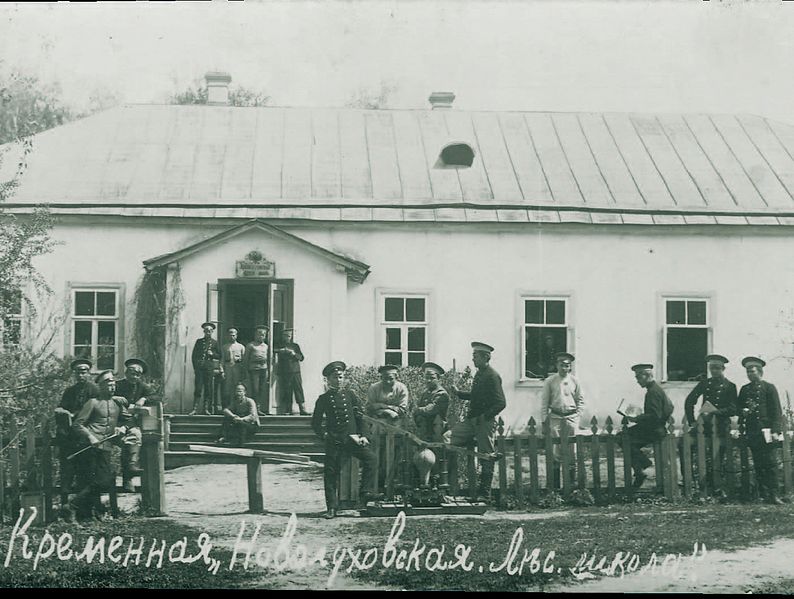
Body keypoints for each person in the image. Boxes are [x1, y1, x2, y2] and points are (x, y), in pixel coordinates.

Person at [311, 361, 377, 519]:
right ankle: (331, 508)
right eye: (335, 377)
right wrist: (324, 435)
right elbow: (315, 422)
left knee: (372, 459)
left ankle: (364, 494)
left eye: (341, 377)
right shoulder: (323, 399)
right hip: (334, 440)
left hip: (352, 439)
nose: (339, 380)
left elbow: (360, 418)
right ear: (328, 379)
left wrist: (364, 436)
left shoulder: (351, 395)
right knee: (330, 473)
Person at [70, 370, 132, 521]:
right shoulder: (93, 402)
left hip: (106, 447)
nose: (112, 387)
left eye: (113, 384)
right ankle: (86, 514)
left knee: (103, 481)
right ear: (101, 387)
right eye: (108, 385)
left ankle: (73, 505)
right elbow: (77, 425)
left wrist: (124, 427)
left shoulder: (117, 403)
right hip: (89, 447)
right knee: (91, 481)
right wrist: (90, 437)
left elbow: (129, 420)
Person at [449, 341, 507, 501]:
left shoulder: (492, 376)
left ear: (485, 357)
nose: (473, 359)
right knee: (448, 438)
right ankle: (449, 487)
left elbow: (501, 403)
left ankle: (484, 494)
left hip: (484, 423)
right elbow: (477, 396)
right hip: (471, 421)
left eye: (475, 356)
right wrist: (460, 393)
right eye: (473, 356)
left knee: (486, 456)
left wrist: (484, 417)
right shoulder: (480, 373)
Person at [682, 354, 737, 487]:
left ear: (723, 369)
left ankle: (716, 484)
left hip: (721, 425)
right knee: (683, 444)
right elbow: (689, 401)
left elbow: (734, 409)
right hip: (703, 425)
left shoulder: (730, 386)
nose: (714, 371)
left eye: (717, 368)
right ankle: (688, 480)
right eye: (711, 368)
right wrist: (692, 421)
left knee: (717, 455)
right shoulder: (705, 383)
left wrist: (717, 412)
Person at [737, 356, 784, 505]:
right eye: (748, 372)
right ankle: (763, 494)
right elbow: (738, 408)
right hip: (753, 432)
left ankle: (774, 494)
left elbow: (776, 411)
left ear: (760, 372)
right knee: (758, 463)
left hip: (768, 431)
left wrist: (776, 430)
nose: (750, 374)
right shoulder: (744, 389)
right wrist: (742, 411)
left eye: (752, 371)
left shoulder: (769, 388)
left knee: (771, 463)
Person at [54, 358, 99, 513]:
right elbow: (62, 406)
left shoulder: (95, 390)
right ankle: (66, 506)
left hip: (89, 434)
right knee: (68, 469)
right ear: (74, 374)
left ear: (89, 373)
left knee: (88, 471)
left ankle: (88, 509)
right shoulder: (70, 391)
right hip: (71, 437)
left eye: (84, 371)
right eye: (78, 372)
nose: (81, 375)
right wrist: (63, 411)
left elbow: (98, 411)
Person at [619, 363, 674, 489]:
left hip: (654, 430)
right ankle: (640, 471)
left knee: (623, 437)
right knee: (625, 438)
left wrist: (636, 418)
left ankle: (645, 466)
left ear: (647, 376)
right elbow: (667, 408)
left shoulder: (653, 392)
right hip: (655, 428)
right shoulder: (655, 389)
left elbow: (655, 416)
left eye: (639, 377)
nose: (637, 381)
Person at [540, 352, 585, 489]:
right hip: (555, 418)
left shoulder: (575, 381)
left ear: (570, 367)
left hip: (571, 418)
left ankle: (571, 485)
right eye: (561, 365)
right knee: (556, 452)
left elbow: (581, 400)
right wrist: (544, 421)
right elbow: (544, 403)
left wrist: (578, 415)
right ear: (557, 365)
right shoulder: (550, 381)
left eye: (567, 365)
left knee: (572, 452)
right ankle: (555, 487)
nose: (564, 368)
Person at [114, 358, 156, 492]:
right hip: (115, 421)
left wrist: (144, 399)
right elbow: (101, 394)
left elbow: (156, 396)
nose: (134, 377)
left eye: (138, 374)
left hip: (132, 423)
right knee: (124, 442)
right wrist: (113, 398)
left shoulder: (142, 387)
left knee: (133, 438)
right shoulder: (117, 385)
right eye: (132, 373)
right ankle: (126, 476)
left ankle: (129, 476)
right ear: (126, 373)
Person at [275, 328, 309, 415]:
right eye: (285, 335)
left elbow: (301, 358)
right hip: (285, 372)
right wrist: (281, 351)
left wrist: (294, 353)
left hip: (295, 371)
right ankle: (288, 410)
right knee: (287, 390)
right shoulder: (279, 345)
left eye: (289, 336)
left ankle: (302, 408)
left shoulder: (295, 346)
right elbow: (273, 350)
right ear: (282, 336)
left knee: (298, 389)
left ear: (291, 336)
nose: (287, 337)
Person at [191, 321, 223, 415]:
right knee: (198, 388)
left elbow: (220, 356)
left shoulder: (215, 343)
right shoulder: (199, 342)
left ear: (212, 332)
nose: (208, 332)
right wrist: (196, 367)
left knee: (208, 388)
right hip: (199, 369)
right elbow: (194, 356)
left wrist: (212, 354)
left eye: (210, 330)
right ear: (204, 331)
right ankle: (195, 409)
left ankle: (206, 409)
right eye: (206, 330)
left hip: (209, 368)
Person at [413, 362, 450, 442]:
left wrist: (417, 410)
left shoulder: (441, 394)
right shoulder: (425, 393)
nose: (428, 380)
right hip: (424, 427)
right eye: (426, 377)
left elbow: (431, 409)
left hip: (436, 429)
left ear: (438, 379)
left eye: (432, 378)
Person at [218, 382, 261, 446]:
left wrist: (241, 419)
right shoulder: (235, 402)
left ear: (244, 392)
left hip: (251, 425)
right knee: (227, 419)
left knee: (241, 424)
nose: (238, 393)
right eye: (237, 391)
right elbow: (226, 410)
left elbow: (253, 416)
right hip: (239, 422)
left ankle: (241, 444)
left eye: (240, 391)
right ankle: (223, 437)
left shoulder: (250, 401)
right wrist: (233, 416)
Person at [244, 325, 270, 415]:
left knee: (262, 389)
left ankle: (259, 408)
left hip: (264, 369)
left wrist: (268, 372)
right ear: (255, 335)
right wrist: (246, 371)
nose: (261, 336)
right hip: (254, 369)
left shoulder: (266, 346)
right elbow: (246, 359)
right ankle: (253, 409)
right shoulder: (250, 345)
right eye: (259, 334)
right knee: (255, 389)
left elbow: (269, 359)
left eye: (263, 334)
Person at [222, 327, 246, 410]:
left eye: (233, 335)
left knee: (237, 388)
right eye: (230, 335)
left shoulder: (241, 347)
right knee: (227, 389)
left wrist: (243, 372)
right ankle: (227, 407)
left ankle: (237, 407)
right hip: (228, 368)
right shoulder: (225, 347)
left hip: (237, 368)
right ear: (227, 336)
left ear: (236, 336)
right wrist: (222, 370)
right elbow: (222, 360)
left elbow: (244, 361)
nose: (231, 337)